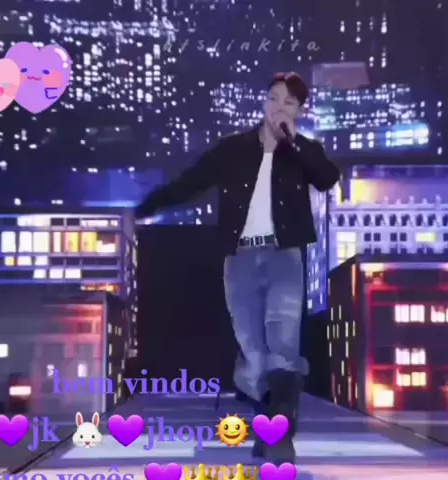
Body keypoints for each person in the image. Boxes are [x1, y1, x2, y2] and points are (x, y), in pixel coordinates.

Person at [135, 72, 340, 463]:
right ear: (263, 101)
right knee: (253, 351)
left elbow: (328, 177)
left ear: (299, 111)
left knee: (283, 344)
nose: (279, 108)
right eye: (274, 98)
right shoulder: (232, 149)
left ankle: (281, 436)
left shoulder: (302, 151)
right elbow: (189, 182)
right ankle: (268, 426)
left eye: (289, 103)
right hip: (240, 257)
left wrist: (295, 142)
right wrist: (146, 206)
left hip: (285, 256)